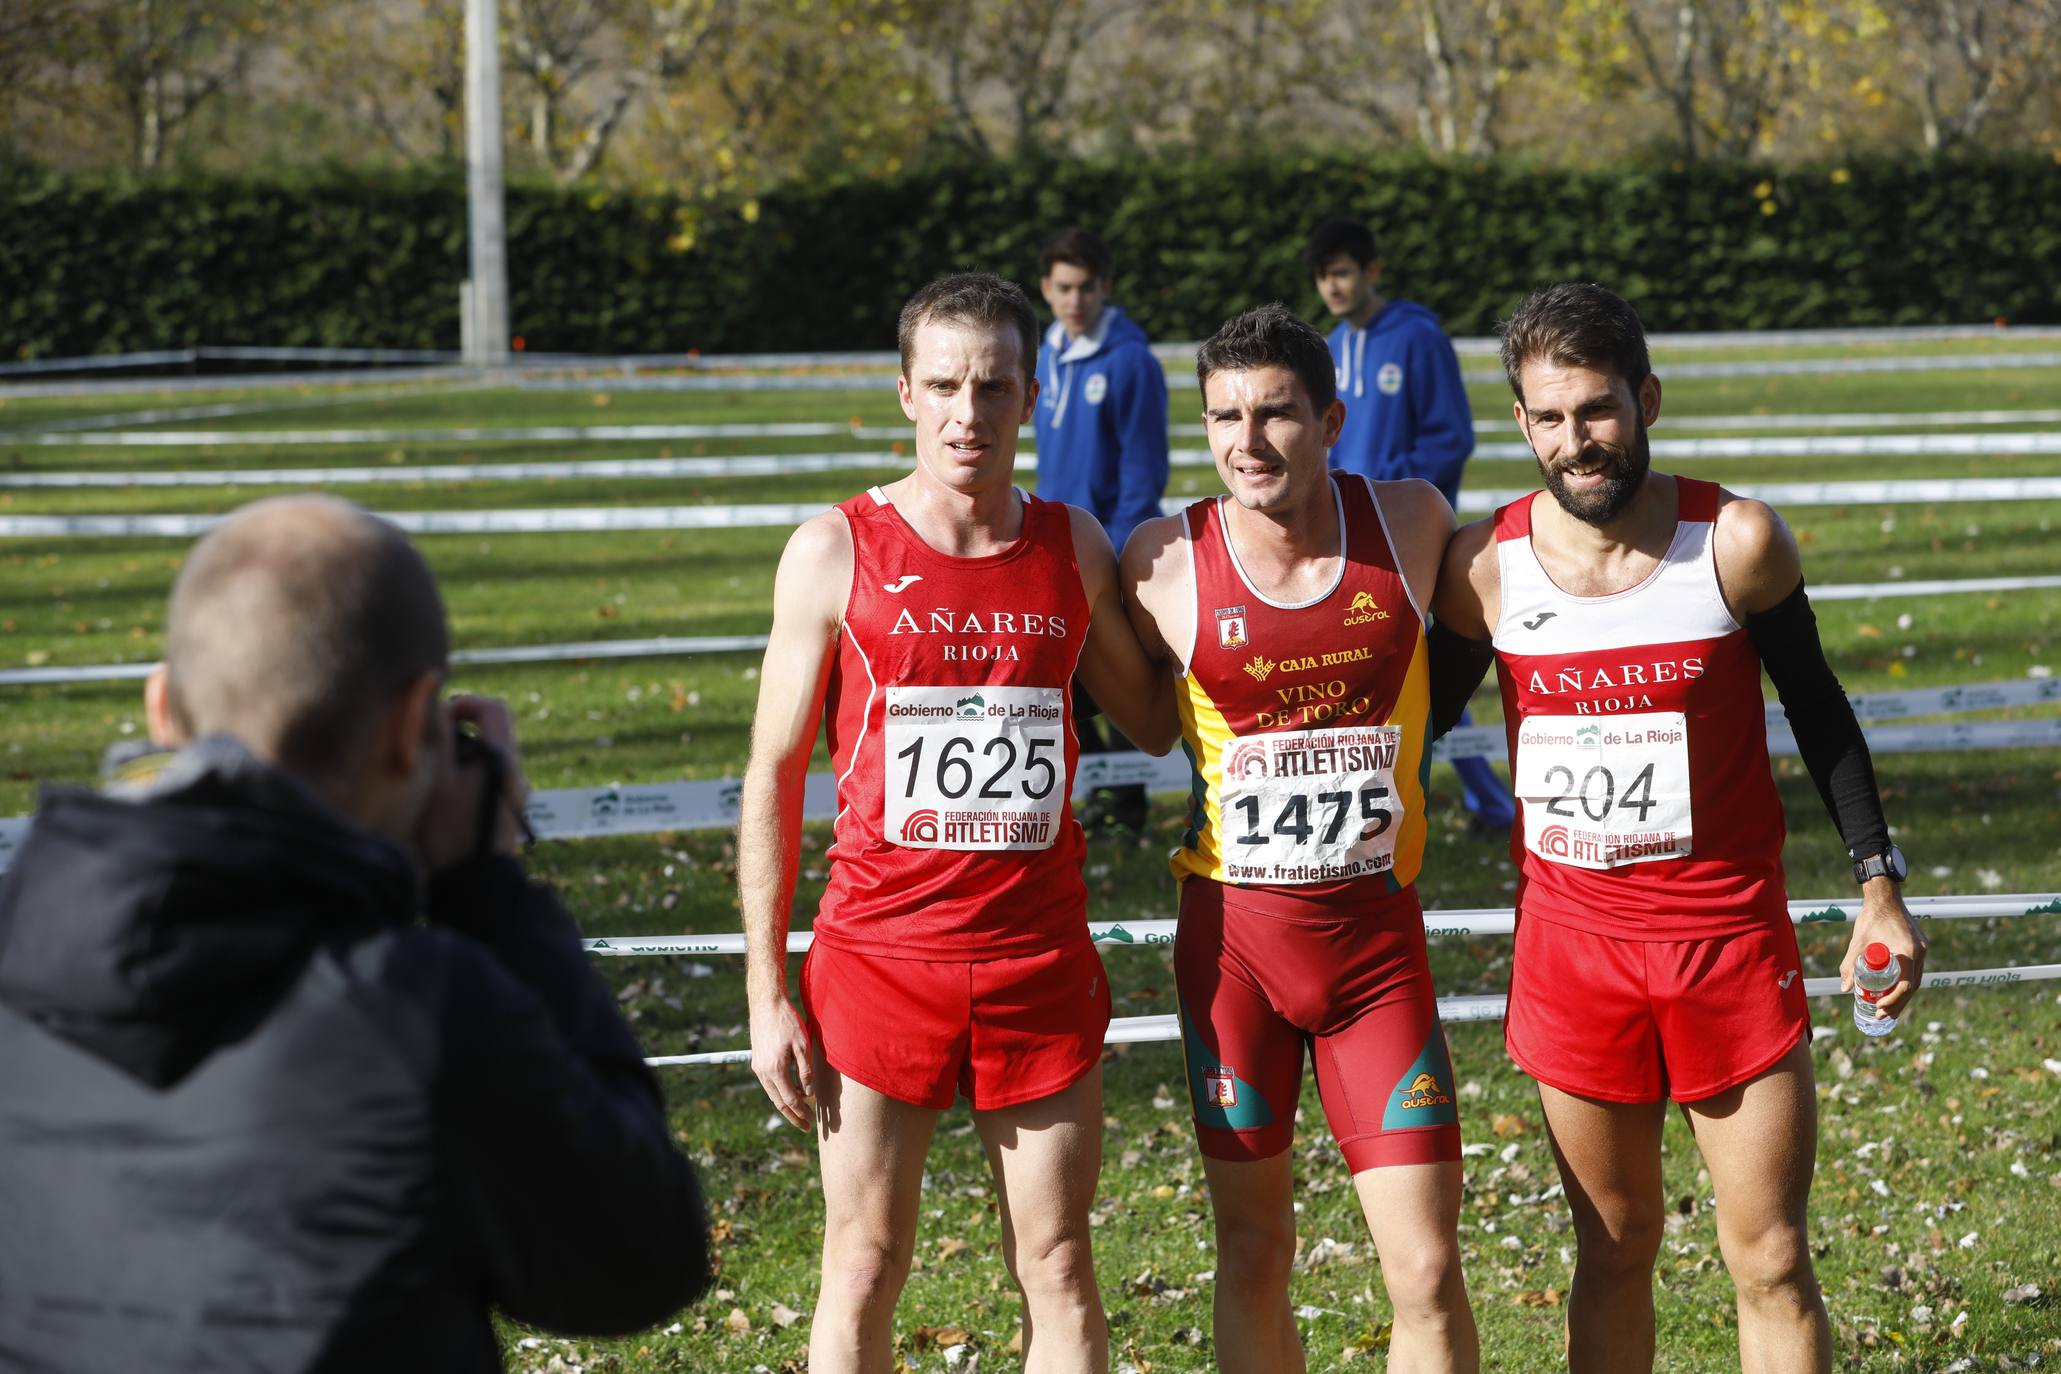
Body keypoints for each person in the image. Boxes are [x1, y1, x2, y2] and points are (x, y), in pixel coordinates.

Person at [0, 495, 710, 1372]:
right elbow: (638, 1259)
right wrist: (488, 892)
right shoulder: (413, 1010)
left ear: (159, 706)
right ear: (416, 725)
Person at [1428, 281, 1929, 1374]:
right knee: (1612, 1249)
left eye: (1599, 410)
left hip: (1726, 948)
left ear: (1647, 397)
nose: (1578, 442)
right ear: (1522, 423)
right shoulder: (1483, 569)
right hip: (1575, 956)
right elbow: (1406, 723)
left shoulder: (1735, 541)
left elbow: (1823, 714)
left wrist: (1878, 886)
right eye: (1551, 419)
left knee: (1772, 1258)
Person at [738, 271, 1177, 1374]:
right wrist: (763, 991)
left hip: (1036, 957)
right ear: (903, 394)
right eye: (942, 386)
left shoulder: (1073, 546)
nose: (965, 415)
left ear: (1030, 398)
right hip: (879, 960)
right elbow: (773, 774)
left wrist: (1244, 610)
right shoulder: (833, 551)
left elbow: (1158, 723)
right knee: (867, 1260)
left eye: (991, 388)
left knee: (1062, 1265)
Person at [1123, 303, 1479, 1373]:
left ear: (1328, 418)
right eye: (1224, 416)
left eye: (1276, 413)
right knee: (1254, 1250)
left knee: (1423, 1267)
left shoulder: (1411, 523)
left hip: (1375, 955)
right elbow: (1130, 714)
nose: (1249, 441)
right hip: (1233, 954)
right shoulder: (1161, 560)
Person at [1305, 214, 1515, 838]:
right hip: (1344, 534)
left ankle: (1489, 800)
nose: (1334, 288)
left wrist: (1399, 494)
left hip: (1407, 536)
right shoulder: (1332, 348)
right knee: (1374, 665)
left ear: (1372, 271)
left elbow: (1451, 436)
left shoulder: (1418, 336)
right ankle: (1392, 797)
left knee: (1420, 665)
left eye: (1342, 273)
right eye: (1322, 277)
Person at [1035, 226, 1171, 837]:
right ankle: (1092, 794)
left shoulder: (1131, 361)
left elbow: (1144, 464)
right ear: (1046, 288)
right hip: (1054, 538)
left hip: (1110, 542)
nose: (1075, 299)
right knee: (1060, 673)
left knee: (1118, 673)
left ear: (1105, 288)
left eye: (1087, 287)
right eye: (1063, 287)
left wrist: (1116, 548)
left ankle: (1130, 806)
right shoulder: (1042, 354)